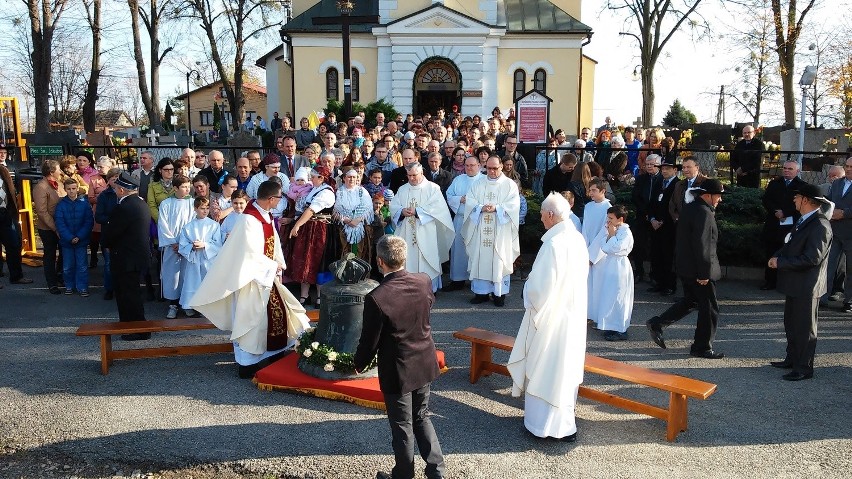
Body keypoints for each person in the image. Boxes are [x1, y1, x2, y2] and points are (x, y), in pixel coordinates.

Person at [191, 180, 310, 378]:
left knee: (273, 316)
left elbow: (274, 242)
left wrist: (278, 263)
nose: (280, 202)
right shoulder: (249, 221)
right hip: (250, 279)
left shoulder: (266, 216)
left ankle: (274, 352)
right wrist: (272, 266)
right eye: (279, 198)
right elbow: (248, 254)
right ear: (271, 199)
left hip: (267, 277)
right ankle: (246, 364)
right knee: (250, 321)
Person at [353, 235, 446, 479]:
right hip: (424, 360)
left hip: (398, 368)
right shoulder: (424, 281)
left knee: (402, 425)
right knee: (421, 416)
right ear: (404, 258)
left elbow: (369, 340)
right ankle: (436, 471)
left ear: (379, 262)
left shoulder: (378, 297)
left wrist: (358, 364)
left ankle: (403, 475)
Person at [506, 193, 587, 443]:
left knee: (547, 367)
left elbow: (540, 289)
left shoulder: (553, 244)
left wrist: (527, 292)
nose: (540, 218)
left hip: (550, 319)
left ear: (551, 215)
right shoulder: (576, 238)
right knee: (563, 369)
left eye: (542, 214)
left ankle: (541, 426)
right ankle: (563, 426)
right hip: (571, 317)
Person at [647, 179, 727, 359]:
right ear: (708, 195)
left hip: (687, 267)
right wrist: (704, 273)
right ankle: (702, 347)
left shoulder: (691, 208)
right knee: (709, 308)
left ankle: (658, 323)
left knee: (691, 301)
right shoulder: (703, 212)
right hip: (699, 270)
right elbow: (702, 245)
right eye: (718, 196)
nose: (720, 200)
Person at [768, 183, 833, 381]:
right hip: (796, 283)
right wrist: (778, 256)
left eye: (797, 197)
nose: (794, 200)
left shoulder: (820, 225)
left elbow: (812, 258)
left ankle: (804, 367)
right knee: (792, 323)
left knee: (805, 328)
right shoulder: (805, 220)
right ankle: (792, 358)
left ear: (806, 200)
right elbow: (790, 245)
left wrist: (781, 262)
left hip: (807, 285)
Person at [462, 156, 520, 306]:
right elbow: (470, 201)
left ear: (501, 167)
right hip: (480, 227)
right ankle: (481, 293)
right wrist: (480, 207)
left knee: (498, 258)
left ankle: (498, 294)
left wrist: (497, 208)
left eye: (495, 168)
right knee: (481, 258)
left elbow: (514, 205)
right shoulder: (478, 183)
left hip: (500, 230)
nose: (492, 171)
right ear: (484, 167)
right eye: (489, 168)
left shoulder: (509, 185)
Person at [389, 162, 455, 293]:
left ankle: (430, 289)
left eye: (415, 175)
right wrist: (401, 211)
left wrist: (418, 212)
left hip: (426, 232)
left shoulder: (432, 188)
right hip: (406, 231)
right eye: (409, 175)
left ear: (422, 173)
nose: (412, 178)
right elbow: (394, 206)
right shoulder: (403, 189)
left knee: (427, 258)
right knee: (408, 258)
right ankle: (408, 288)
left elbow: (438, 208)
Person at [101, 172, 152, 340]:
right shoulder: (140, 203)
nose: (115, 190)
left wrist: (106, 242)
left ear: (122, 190)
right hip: (136, 257)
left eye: (116, 188)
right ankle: (138, 327)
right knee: (133, 294)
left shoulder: (124, 207)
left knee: (127, 296)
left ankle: (134, 328)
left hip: (126, 259)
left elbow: (111, 233)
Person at [288, 166, 337, 306]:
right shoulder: (314, 189)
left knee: (319, 260)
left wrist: (297, 225)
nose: (311, 179)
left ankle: (321, 296)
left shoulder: (326, 192)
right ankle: (305, 295)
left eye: (314, 177)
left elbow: (311, 210)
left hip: (320, 230)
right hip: (309, 229)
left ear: (321, 178)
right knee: (306, 259)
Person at [588, 205, 634, 340]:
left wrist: (612, 236)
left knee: (619, 297)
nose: (608, 221)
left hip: (620, 266)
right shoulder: (612, 230)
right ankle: (610, 325)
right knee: (609, 295)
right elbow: (604, 246)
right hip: (610, 265)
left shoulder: (626, 232)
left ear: (620, 219)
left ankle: (620, 329)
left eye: (611, 218)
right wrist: (610, 235)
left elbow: (616, 248)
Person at [760, 161, 806, 291]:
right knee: (771, 251)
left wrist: (785, 212)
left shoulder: (802, 186)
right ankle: (770, 281)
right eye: (784, 168)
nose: (786, 171)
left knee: (788, 253)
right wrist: (775, 211)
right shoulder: (775, 183)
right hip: (774, 224)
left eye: (790, 169)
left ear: (797, 171)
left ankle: (785, 282)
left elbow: (801, 204)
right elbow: (766, 199)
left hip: (791, 225)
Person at [443, 156, 483, 292]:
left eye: (472, 165)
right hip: (460, 219)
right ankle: (457, 280)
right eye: (467, 165)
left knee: (475, 249)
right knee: (458, 250)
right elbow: (449, 195)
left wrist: (471, 202)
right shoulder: (459, 179)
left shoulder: (484, 180)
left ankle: (476, 280)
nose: (469, 168)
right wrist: (460, 199)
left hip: (477, 220)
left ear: (479, 165)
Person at [158, 175, 195, 319]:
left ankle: (187, 304)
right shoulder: (166, 204)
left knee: (187, 276)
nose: (187, 189)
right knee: (173, 277)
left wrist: (184, 244)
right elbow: (163, 225)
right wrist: (174, 243)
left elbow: (193, 223)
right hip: (172, 247)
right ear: (175, 188)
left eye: (188, 186)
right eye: (184, 187)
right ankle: (173, 304)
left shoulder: (192, 203)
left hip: (187, 247)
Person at [178, 196, 221, 317]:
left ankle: (208, 306)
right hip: (194, 259)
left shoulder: (214, 225)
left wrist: (205, 245)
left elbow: (218, 243)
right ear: (195, 208)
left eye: (207, 208)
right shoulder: (188, 227)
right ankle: (189, 305)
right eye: (202, 208)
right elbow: (182, 245)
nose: (205, 211)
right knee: (192, 281)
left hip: (208, 259)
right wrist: (191, 246)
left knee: (207, 281)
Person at [55, 178, 94, 296]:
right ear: (65, 190)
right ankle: (69, 285)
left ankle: (82, 287)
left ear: (77, 189)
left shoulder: (84, 204)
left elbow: (88, 222)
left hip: (81, 240)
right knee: (67, 266)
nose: (71, 191)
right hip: (67, 241)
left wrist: (79, 236)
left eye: (73, 188)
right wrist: (69, 237)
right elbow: (59, 223)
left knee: (82, 265)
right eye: (69, 189)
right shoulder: (61, 205)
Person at [822, 156, 852, 311]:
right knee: (828, 264)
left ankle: (849, 301)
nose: (848, 169)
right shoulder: (838, 183)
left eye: (851, 167)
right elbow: (829, 201)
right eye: (846, 166)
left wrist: (845, 213)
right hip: (835, 230)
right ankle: (822, 297)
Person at [648, 159, 681, 296]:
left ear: (675, 170)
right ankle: (659, 282)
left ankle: (669, 285)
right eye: (663, 169)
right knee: (656, 254)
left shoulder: (678, 184)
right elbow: (652, 203)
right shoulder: (658, 182)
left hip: (669, 227)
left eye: (668, 168)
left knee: (668, 255)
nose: (664, 171)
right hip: (655, 226)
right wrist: (652, 219)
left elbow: (676, 206)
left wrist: (663, 221)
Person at [33, 159, 66, 294]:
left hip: (61, 225)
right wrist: (55, 228)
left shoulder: (59, 183)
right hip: (47, 228)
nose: (61, 171)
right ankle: (52, 283)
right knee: (50, 254)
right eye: (58, 169)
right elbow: (42, 212)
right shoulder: (40, 187)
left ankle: (59, 275)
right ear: (52, 172)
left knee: (64, 251)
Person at [0, 163, 34, 287]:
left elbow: (10, 190)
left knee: (14, 245)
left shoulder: (3, 170)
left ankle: (16, 276)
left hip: (5, 213)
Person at [630, 155, 661, 282]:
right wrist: (646, 212)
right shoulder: (641, 179)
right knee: (639, 245)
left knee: (656, 246)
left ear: (658, 165)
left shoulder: (662, 179)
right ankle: (639, 271)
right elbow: (635, 197)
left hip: (657, 218)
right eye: (647, 164)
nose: (649, 166)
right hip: (642, 216)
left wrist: (653, 215)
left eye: (652, 164)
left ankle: (655, 274)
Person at [335, 168, 374, 262]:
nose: (352, 179)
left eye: (354, 177)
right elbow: (336, 210)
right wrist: (346, 220)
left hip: (360, 225)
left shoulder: (362, 191)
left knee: (360, 253)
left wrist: (358, 219)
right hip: (344, 226)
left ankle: (359, 274)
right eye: (349, 177)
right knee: (345, 252)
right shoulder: (339, 192)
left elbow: (368, 208)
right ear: (344, 178)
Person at [95, 168, 121, 300]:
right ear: (108, 181)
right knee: (109, 263)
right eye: (113, 179)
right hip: (109, 234)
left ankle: (121, 288)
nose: (116, 181)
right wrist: (112, 220)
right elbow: (99, 217)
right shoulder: (104, 196)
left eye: (118, 178)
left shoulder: (124, 194)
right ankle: (109, 289)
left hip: (123, 235)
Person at [669, 157, 707, 224]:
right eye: (684, 167)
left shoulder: (706, 183)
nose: (685, 170)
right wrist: (677, 219)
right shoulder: (679, 184)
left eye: (688, 167)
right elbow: (672, 204)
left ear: (697, 168)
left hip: (699, 225)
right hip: (681, 225)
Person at [580, 178, 612, 246]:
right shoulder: (588, 206)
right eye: (590, 190)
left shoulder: (608, 208)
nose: (590, 193)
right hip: (587, 243)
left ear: (603, 191)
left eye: (594, 190)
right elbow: (585, 227)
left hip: (600, 245)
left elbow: (605, 230)